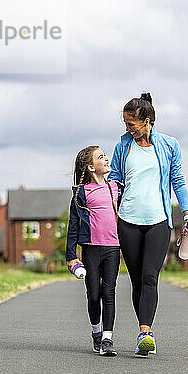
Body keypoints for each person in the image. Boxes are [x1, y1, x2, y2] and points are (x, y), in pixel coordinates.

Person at [108, 92, 188, 356]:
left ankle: (145, 332)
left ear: (147, 121)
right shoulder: (122, 146)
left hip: (159, 221)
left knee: (150, 277)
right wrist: (109, 204)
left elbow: (178, 181)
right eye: (125, 124)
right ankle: (142, 329)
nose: (128, 129)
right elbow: (114, 179)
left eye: (131, 125)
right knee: (137, 280)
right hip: (128, 221)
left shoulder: (169, 145)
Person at [66, 146, 124, 356]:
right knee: (93, 295)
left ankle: (107, 338)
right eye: (101, 157)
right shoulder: (81, 194)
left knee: (109, 292)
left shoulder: (116, 187)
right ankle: (96, 332)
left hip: (112, 248)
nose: (106, 159)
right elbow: (73, 226)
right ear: (91, 167)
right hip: (90, 248)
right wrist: (71, 256)